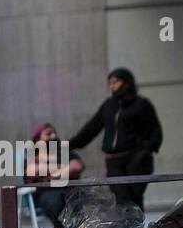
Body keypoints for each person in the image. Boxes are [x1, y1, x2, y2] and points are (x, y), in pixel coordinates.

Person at [68, 67, 163, 209]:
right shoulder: (109, 106)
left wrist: (146, 149)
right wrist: (72, 144)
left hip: (137, 159)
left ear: (127, 83)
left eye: (115, 82)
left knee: (135, 196)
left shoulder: (141, 105)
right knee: (120, 196)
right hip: (114, 161)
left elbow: (155, 130)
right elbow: (92, 127)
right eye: (110, 83)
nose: (112, 86)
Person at [24, 122, 83, 228]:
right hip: (48, 192)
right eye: (48, 134)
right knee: (55, 202)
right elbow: (31, 171)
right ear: (38, 139)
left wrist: (56, 173)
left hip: (71, 189)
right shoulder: (32, 154)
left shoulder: (63, 151)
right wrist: (64, 169)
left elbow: (77, 166)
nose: (54, 136)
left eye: (54, 133)